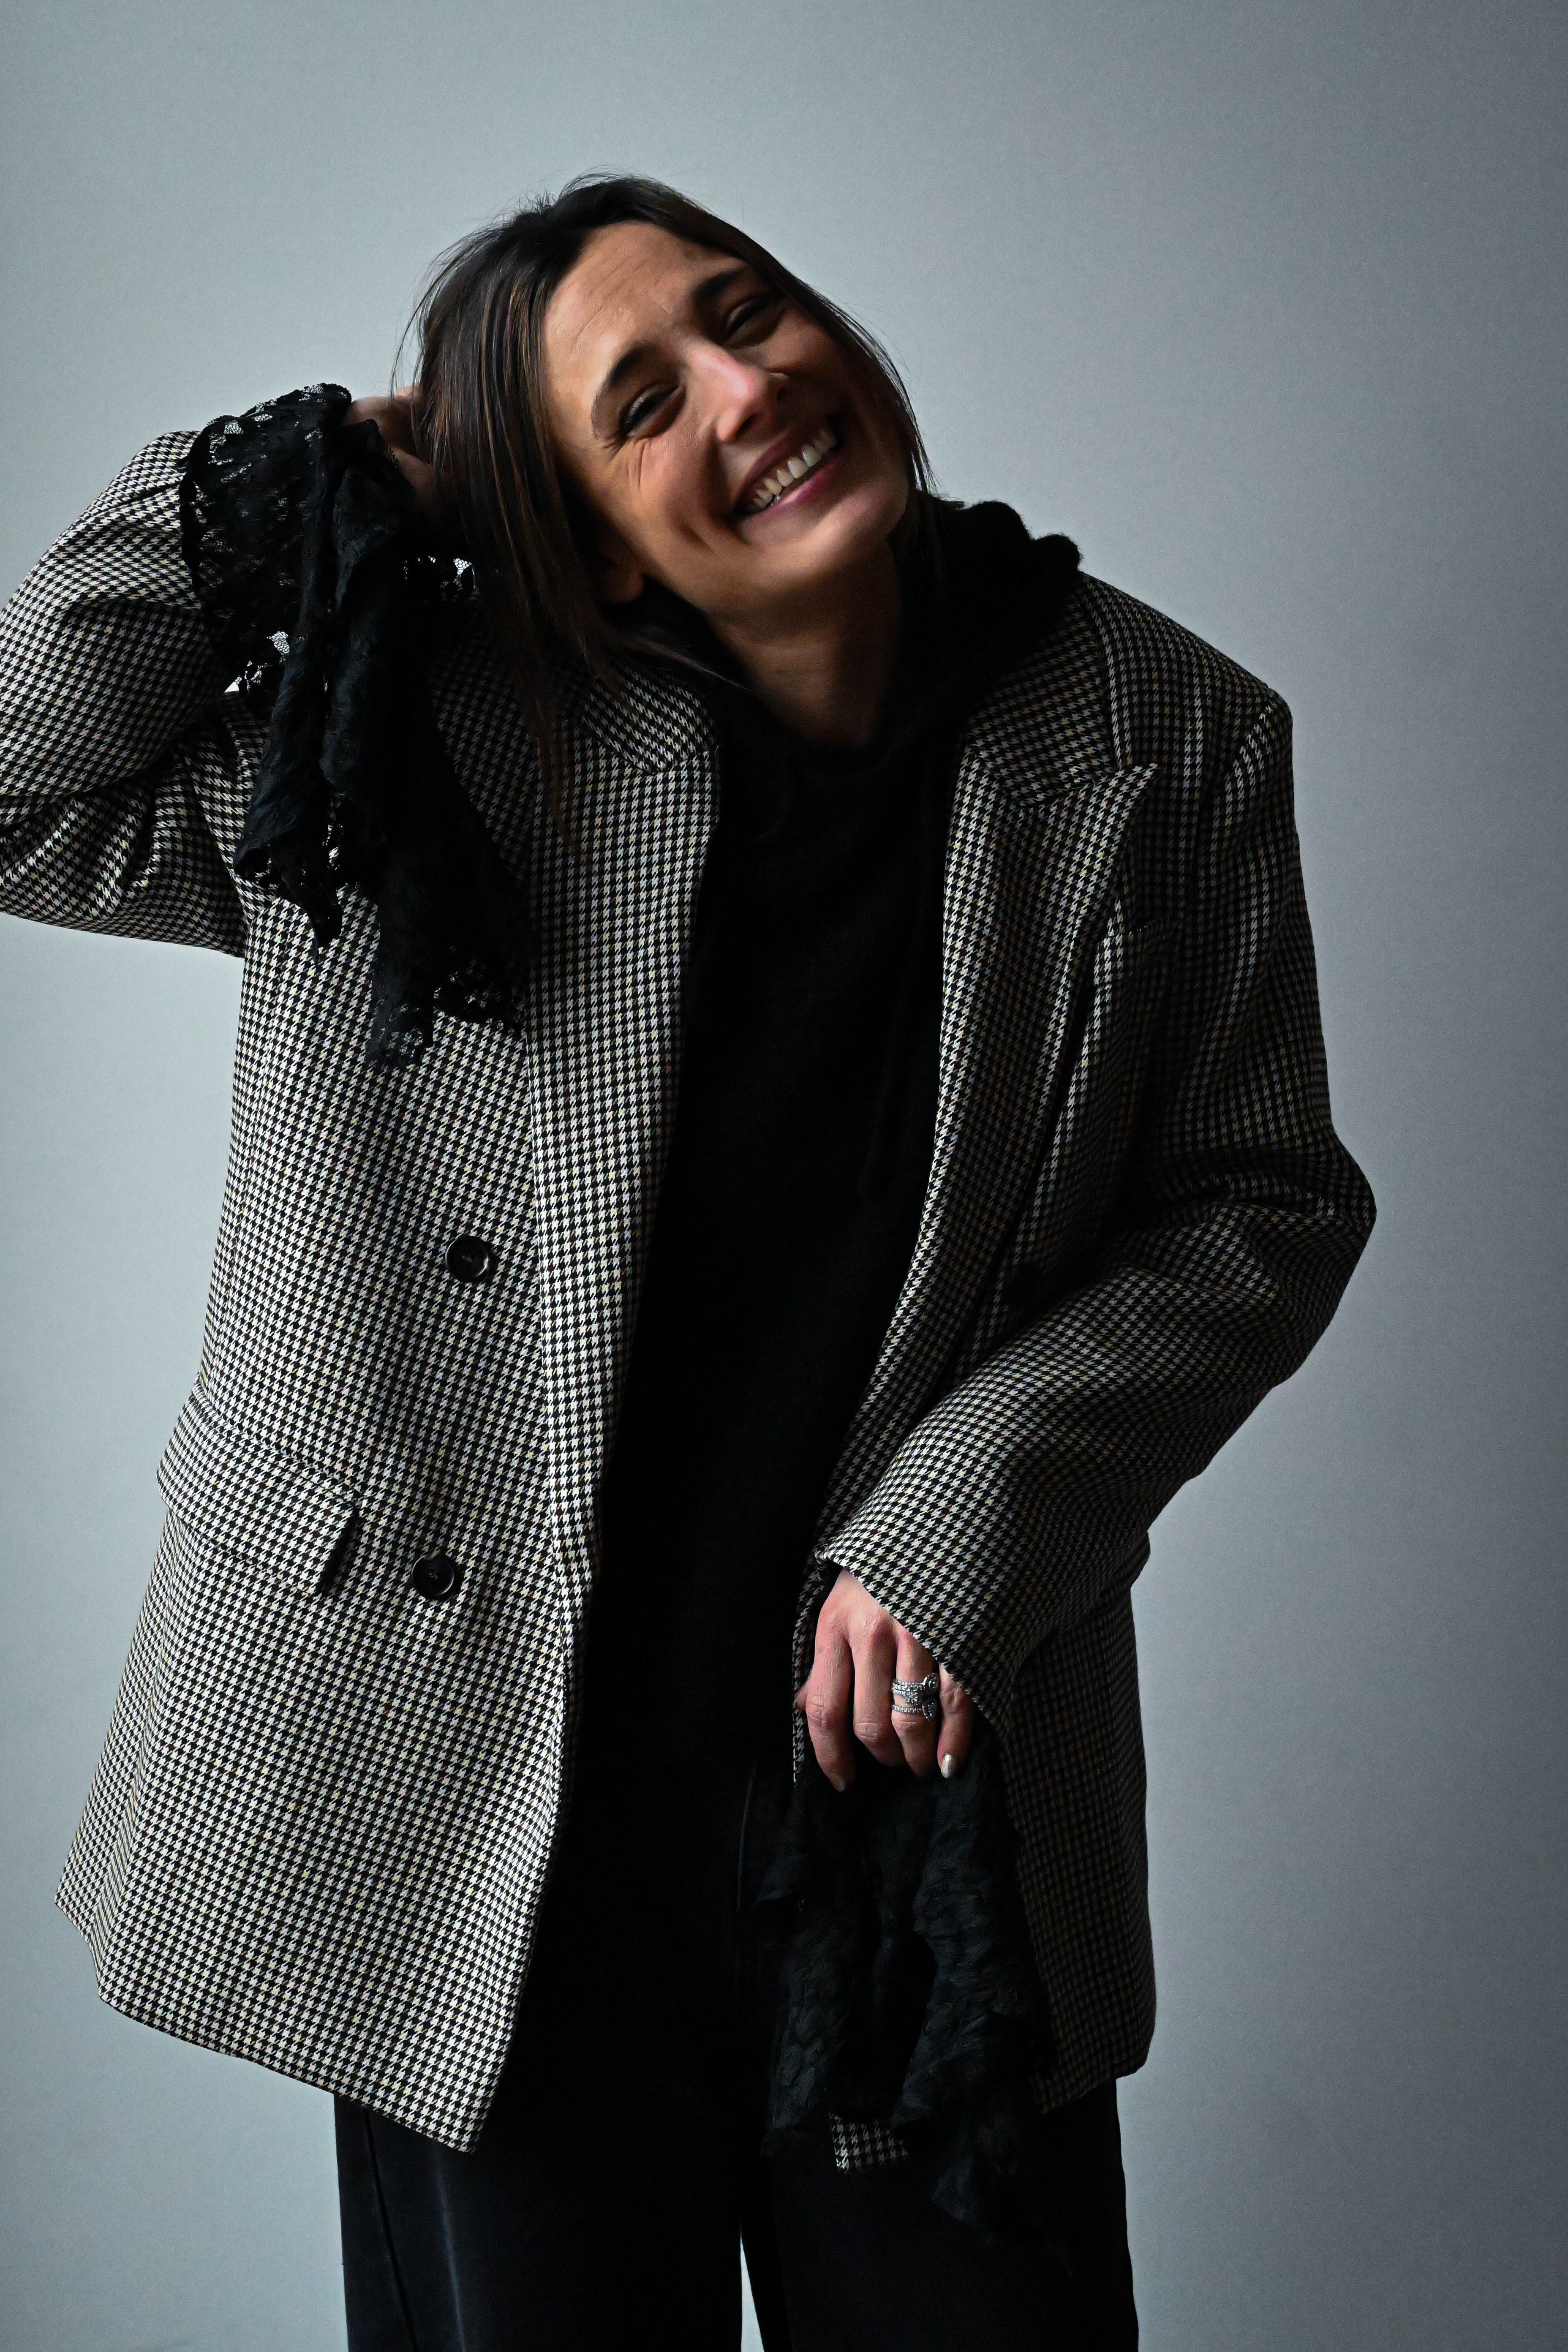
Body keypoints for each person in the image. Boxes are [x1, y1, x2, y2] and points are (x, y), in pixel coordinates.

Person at [0, 175, 1374, 2348]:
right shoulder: (417, 733)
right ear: (591, 542)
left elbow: (1255, 1200)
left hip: (909, 1803)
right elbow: (16, 792)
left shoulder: (1164, 734)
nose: (750, 388)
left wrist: (965, 1516)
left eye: (752, 312)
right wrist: (277, 486)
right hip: (478, 1801)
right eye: (642, 403)